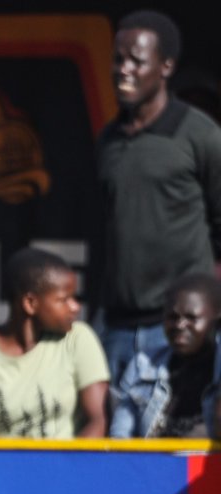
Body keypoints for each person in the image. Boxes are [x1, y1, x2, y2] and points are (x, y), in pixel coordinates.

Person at [98, 10, 221, 386]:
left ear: (166, 66)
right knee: (117, 439)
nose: (124, 69)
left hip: (177, 330)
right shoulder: (109, 139)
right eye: (118, 59)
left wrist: (206, 306)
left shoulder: (200, 135)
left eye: (137, 59)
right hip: (116, 326)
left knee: (176, 437)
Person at [0, 247, 110, 439]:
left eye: (74, 298)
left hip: (66, 467)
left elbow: (100, 421)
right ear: (30, 303)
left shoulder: (79, 339)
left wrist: (68, 468)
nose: (75, 307)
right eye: (63, 299)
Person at [111, 274, 221, 438]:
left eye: (192, 318)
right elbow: (120, 435)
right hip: (151, 461)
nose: (180, 325)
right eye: (173, 317)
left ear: (216, 320)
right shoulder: (143, 365)